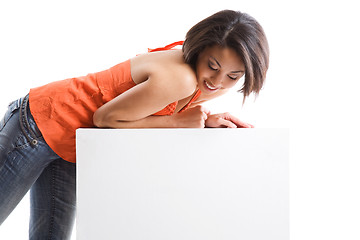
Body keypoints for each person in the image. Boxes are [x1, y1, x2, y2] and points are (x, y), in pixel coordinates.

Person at [0, 9, 269, 240]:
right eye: (213, 66)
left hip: (68, 144)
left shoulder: (197, 78)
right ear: (200, 48)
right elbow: (104, 119)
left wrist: (204, 119)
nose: (218, 81)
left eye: (233, 76)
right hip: (37, 124)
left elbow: (149, 108)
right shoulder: (182, 78)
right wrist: (177, 122)